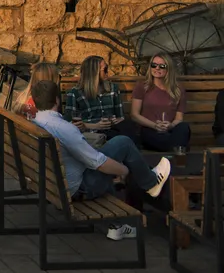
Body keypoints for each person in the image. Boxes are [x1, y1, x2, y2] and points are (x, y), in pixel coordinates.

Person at [32, 79, 171, 225]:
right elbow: (98, 163)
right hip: (78, 189)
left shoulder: (36, 123)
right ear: (57, 100)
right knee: (124, 143)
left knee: (118, 149)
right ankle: (150, 183)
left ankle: (121, 221)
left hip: (50, 184)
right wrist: (124, 171)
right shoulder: (63, 128)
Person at [124, 54, 190, 151]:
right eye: (154, 65)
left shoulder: (178, 89)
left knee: (184, 127)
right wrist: (155, 125)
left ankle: (175, 147)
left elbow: (179, 118)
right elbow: (134, 115)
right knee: (172, 141)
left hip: (170, 129)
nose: (157, 68)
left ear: (169, 69)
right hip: (149, 129)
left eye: (162, 66)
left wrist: (170, 125)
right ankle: (177, 149)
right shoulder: (142, 86)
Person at [64, 55, 124, 143]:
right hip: (90, 136)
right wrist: (95, 126)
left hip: (112, 131)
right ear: (94, 73)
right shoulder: (75, 93)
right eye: (105, 69)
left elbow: (120, 117)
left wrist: (113, 121)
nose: (108, 72)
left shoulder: (113, 89)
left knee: (128, 129)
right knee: (123, 141)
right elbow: (69, 124)